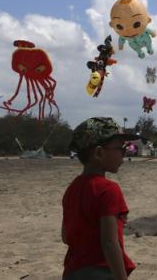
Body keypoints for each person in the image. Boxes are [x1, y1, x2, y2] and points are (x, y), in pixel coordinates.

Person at [62, 117, 139, 280]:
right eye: (120, 149)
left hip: (71, 272)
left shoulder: (71, 189)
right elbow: (110, 243)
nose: (123, 156)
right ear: (99, 153)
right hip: (100, 272)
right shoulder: (108, 189)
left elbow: (65, 236)